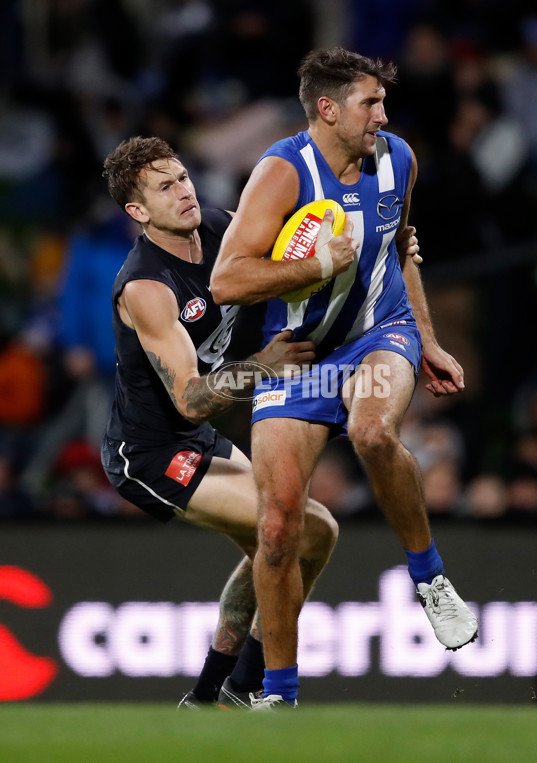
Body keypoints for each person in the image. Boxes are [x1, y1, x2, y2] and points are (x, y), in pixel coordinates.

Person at [211, 46, 479, 709]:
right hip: (301, 353)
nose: (383, 114)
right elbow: (226, 280)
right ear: (327, 110)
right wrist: (307, 268)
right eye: (371, 102)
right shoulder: (280, 173)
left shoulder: (399, 159)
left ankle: (430, 578)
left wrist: (427, 338)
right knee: (277, 529)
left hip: (378, 334)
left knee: (372, 432)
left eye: (383, 102)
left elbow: (400, 249)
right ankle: (277, 695)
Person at [100, 135, 340, 710]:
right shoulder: (146, 287)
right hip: (151, 453)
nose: (183, 192)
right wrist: (264, 365)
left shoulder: (217, 228)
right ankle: (238, 686)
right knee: (308, 530)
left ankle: (212, 697)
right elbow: (189, 398)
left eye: (182, 177)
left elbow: (289, 249)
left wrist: (373, 245)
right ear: (138, 212)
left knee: (283, 542)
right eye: (165, 188)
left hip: (198, 437)